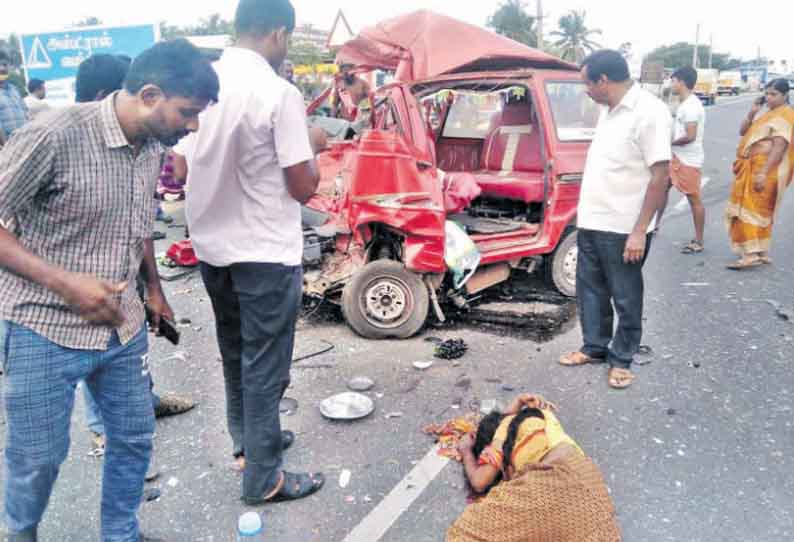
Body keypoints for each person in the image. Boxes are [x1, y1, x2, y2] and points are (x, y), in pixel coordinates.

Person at [0, 39, 218, 542]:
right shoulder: (53, 136)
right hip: (42, 327)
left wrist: (155, 290)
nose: (193, 128)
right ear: (148, 94)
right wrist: (64, 282)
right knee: (39, 457)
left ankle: (121, 533)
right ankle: (21, 534)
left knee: (134, 438)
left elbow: (139, 222)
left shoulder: (151, 147)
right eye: (188, 113)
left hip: (122, 328)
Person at [172, 0, 325, 505]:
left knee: (236, 352)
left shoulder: (201, 85)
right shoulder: (277, 92)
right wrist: (315, 147)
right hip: (263, 248)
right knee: (266, 363)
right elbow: (302, 187)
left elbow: (178, 169)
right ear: (279, 34)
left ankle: (249, 443)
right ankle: (264, 477)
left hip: (213, 246)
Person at [73, 53, 196, 456]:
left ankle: (144, 398)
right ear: (107, 95)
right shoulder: (68, 144)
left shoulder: (140, 147)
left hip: (122, 274)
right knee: (95, 347)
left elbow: (140, 221)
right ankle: (101, 426)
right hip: (77, 286)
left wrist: (154, 289)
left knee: (131, 342)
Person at [559, 50, 672, 389]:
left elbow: (660, 176)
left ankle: (621, 358)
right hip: (592, 220)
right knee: (590, 291)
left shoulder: (650, 113)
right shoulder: (608, 111)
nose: (586, 91)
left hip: (624, 228)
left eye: (587, 84)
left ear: (603, 81)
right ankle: (594, 347)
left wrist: (640, 231)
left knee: (625, 295)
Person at [448, 394, 621, 542]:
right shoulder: (541, 416)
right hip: (592, 488)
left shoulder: (504, 429)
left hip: (553, 484)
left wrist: (466, 451)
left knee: (462, 533)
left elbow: (479, 482)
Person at [725, 79, 794, 269]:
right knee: (761, 210)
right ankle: (762, 251)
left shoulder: (786, 115)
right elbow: (742, 132)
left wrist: (763, 173)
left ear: (785, 95)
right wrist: (753, 112)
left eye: (774, 94)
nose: (769, 98)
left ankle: (750, 254)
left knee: (750, 210)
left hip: (765, 168)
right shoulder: (768, 114)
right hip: (752, 166)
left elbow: (780, 147)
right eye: (768, 93)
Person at [658, 66, 706, 253]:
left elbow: (690, 136)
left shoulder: (692, 107)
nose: (672, 84)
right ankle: (653, 226)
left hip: (688, 160)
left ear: (682, 82)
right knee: (661, 189)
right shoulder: (685, 103)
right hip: (677, 157)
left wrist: (669, 142)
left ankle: (699, 241)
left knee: (694, 199)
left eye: (673, 81)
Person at [0, 49, 28, 148]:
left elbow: (26, 115)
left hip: (24, 144)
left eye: (4, 64)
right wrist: (6, 147)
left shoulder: (14, 90)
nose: (2, 68)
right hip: (6, 149)